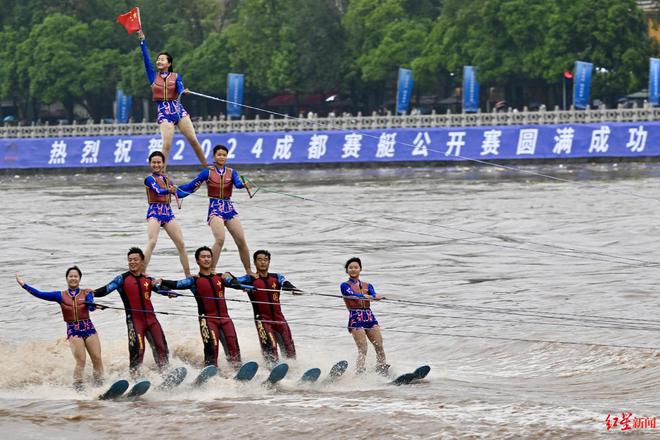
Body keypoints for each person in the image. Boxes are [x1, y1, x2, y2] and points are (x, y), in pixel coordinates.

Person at [16, 266, 104, 390]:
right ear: (67, 279)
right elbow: (40, 294)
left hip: (89, 328)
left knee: (97, 358)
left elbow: (90, 306)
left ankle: (100, 385)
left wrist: (93, 306)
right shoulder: (60, 295)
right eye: (71, 276)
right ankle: (78, 389)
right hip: (74, 331)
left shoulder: (87, 293)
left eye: (76, 276)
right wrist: (24, 285)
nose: (73, 278)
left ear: (79, 279)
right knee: (81, 361)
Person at [157, 246, 241, 369]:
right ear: (197, 261)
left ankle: (237, 371)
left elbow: (236, 283)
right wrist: (162, 281)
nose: (206, 259)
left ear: (212, 259)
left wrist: (230, 275)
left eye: (208, 257)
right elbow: (177, 284)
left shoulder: (220, 277)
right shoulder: (194, 281)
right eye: (203, 257)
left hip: (225, 319)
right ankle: (211, 373)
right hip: (207, 320)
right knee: (212, 348)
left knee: (233, 346)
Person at [176, 145, 253, 274]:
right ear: (214, 156)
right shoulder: (208, 172)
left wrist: (244, 184)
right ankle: (211, 270)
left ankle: (249, 271)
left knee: (241, 240)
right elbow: (191, 185)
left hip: (229, 208)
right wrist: (177, 192)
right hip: (215, 208)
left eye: (224, 155)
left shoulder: (231, 172)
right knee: (220, 239)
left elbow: (238, 184)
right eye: (219, 155)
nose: (221, 157)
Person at [137, 30, 207, 168]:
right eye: (158, 59)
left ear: (169, 63)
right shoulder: (152, 76)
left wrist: (184, 92)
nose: (159, 61)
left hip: (179, 111)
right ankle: (161, 175)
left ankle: (207, 168)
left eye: (162, 59)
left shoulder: (176, 76)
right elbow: (146, 60)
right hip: (164, 113)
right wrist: (142, 41)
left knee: (193, 140)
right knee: (167, 145)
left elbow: (180, 89)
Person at [93, 247, 169, 375]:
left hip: (151, 319)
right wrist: (90, 294)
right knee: (138, 350)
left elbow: (161, 289)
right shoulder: (121, 279)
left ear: (142, 261)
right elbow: (105, 290)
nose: (132, 262)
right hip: (135, 320)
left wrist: (170, 293)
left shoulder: (148, 279)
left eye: (135, 259)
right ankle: (134, 377)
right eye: (130, 260)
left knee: (161, 346)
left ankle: (165, 374)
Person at [228, 250, 301, 366]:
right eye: (260, 260)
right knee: (270, 348)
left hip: (279, 319)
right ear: (255, 262)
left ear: (269, 262)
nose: (263, 262)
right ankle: (270, 370)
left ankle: (293, 372)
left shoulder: (276, 277)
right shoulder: (249, 279)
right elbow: (228, 278)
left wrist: (294, 289)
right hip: (263, 320)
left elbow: (285, 283)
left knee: (290, 349)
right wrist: (244, 286)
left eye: (265, 260)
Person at [143, 150, 191, 277]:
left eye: (159, 162)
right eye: (154, 162)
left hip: (168, 213)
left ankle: (188, 275)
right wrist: (168, 190)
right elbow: (158, 191)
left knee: (181, 244)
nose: (156, 165)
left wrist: (195, 186)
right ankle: (141, 272)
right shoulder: (149, 179)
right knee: (152, 242)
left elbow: (179, 193)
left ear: (163, 163)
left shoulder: (167, 179)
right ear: (150, 164)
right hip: (155, 212)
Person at [340, 257, 388, 376]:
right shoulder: (344, 285)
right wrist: (363, 296)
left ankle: (382, 371)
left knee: (379, 346)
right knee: (363, 349)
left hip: (369, 317)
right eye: (350, 267)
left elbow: (373, 294)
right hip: (356, 318)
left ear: (360, 269)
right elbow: (351, 294)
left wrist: (377, 296)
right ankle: (359, 373)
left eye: (356, 267)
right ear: (347, 270)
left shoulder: (368, 285)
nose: (353, 269)